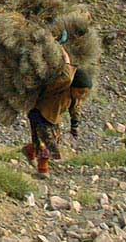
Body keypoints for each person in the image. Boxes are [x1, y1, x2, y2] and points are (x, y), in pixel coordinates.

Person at [22, 48, 93, 178]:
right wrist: (63, 52)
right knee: (47, 145)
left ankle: (29, 150)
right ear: (72, 86)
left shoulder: (74, 98)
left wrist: (74, 126)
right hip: (39, 115)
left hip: (53, 120)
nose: (82, 96)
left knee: (51, 141)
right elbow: (67, 74)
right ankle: (43, 171)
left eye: (84, 93)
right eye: (80, 92)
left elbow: (75, 111)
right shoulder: (60, 87)